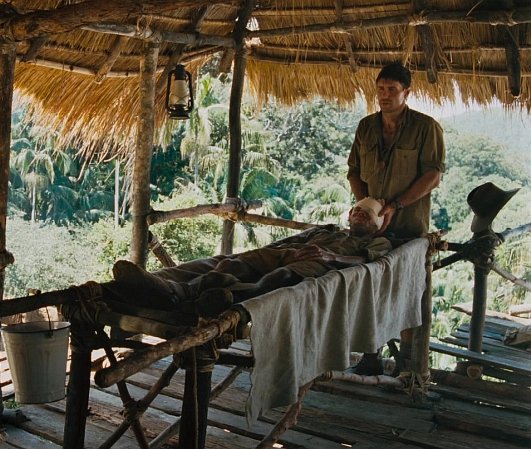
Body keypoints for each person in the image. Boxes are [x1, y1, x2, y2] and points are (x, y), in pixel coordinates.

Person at [113, 197, 392, 315]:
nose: (359, 215)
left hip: (318, 263)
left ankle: (230, 299)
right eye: (357, 210)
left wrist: (331, 257)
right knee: (232, 263)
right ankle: (180, 291)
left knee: (280, 277)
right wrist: (274, 250)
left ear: (376, 225)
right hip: (290, 252)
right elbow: (296, 239)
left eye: (366, 214)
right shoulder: (328, 229)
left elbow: (367, 261)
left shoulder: (378, 242)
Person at [346, 61, 445, 375]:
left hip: (409, 228)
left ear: (407, 93)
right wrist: (367, 205)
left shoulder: (426, 127)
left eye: (392, 89)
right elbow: (354, 171)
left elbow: (432, 176)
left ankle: (407, 365)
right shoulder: (366, 127)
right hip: (373, 228)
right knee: (369, 291)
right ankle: (370, 355)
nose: (384, 95)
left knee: (407, 294)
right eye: (380, 89)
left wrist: (395, 206)